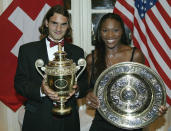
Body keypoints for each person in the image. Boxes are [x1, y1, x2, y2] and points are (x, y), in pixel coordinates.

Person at [85, 13, 167, 131]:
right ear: (99, 32)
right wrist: (89, 95)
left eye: (115, 30)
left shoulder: (135, 55)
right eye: (105, 30)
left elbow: (146, 89)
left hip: (131, 123)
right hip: (101, 123)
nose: (110, 35)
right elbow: (90, 88)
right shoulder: (92, 58)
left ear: (122, 31)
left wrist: (155, 108)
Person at [14, 5, 88, 131]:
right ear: (46, 23)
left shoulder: (77, 52)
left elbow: (85, 83)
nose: (59, 29)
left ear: (68, 26)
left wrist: (76, 89)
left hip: (69, 121)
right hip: (38, 119)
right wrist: (42, 90)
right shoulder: (27, 50)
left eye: (63, 24)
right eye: (54, 23)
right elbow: (20, 83)